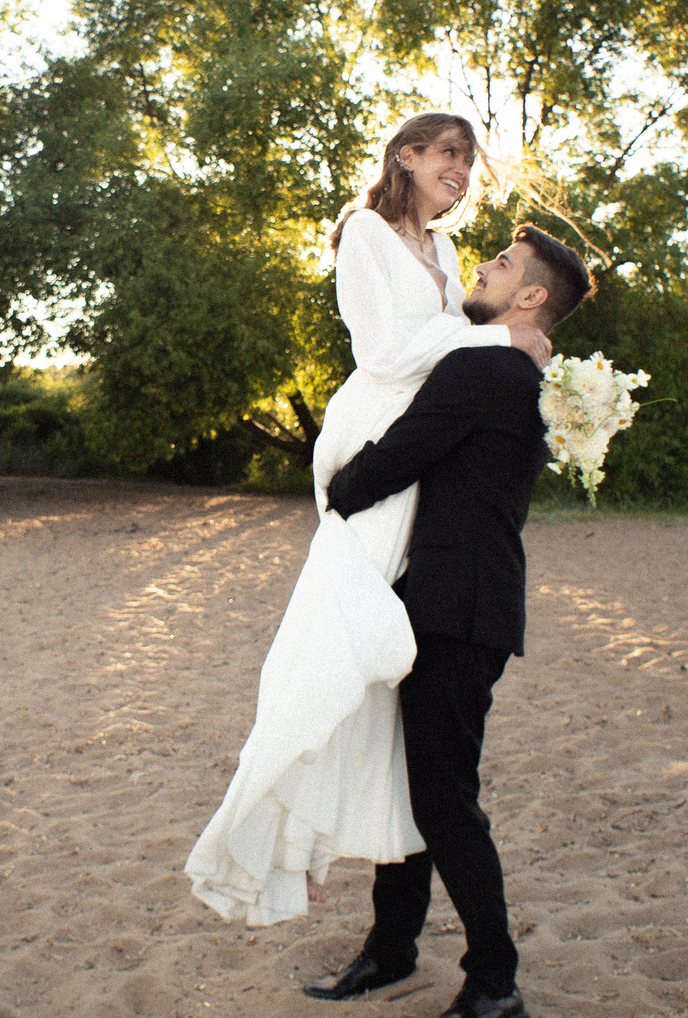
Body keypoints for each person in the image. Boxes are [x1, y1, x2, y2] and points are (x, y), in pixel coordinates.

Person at [185, 116, 551, 926]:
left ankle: (381, 920)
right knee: (335, 638)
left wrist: (495, 345)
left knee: (393, 707)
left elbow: (460, 343)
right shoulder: (365, 233)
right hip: (377, 422)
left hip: (429, 439)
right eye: (447, 153)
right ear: (407, 156)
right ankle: (290, 800)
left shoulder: (451, 255)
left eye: (469, 159)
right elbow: (388, 355)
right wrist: (503, 342)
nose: (462, 169)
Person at [301, 224, 591, 1018]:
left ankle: (495, 982)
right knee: (413, 778)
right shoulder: (508, 369)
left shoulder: (482, 366)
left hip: (458, 609)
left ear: (530, 297)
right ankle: (392, 949)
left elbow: (394, 459)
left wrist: (337, 485)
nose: (484, 270)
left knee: (443, 796)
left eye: (501, 266)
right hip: (455, 601)